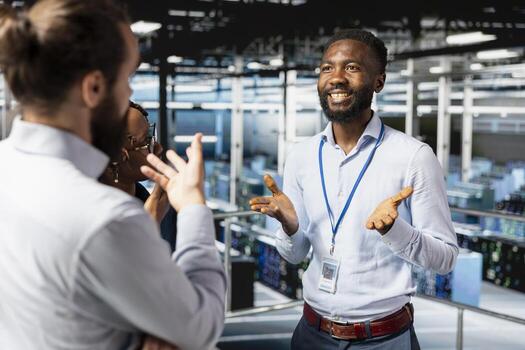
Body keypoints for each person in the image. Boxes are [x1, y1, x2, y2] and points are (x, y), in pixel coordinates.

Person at [0, 1, 225, 350]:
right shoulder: (104, 218)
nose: (130, 95)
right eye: (126, 79)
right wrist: (194, 207)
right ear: (93, 89)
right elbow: (202, 325)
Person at [250, 29, 458, 349]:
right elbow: (294, 256)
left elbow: (445, 259)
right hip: (311, 334)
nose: (336, 77)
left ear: (379, 81)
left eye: (351, 67)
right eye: (326, 68)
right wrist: (290, 228)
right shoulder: (301, 156)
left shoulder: (413, 156)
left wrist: (395, 230)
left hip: (383, 339)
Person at [100, 101, 178, 252]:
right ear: (120, 155)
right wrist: (148, 228)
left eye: (152, 135)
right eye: (146, 141)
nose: (158, 147)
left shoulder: (160, 205)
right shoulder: (94, 218)